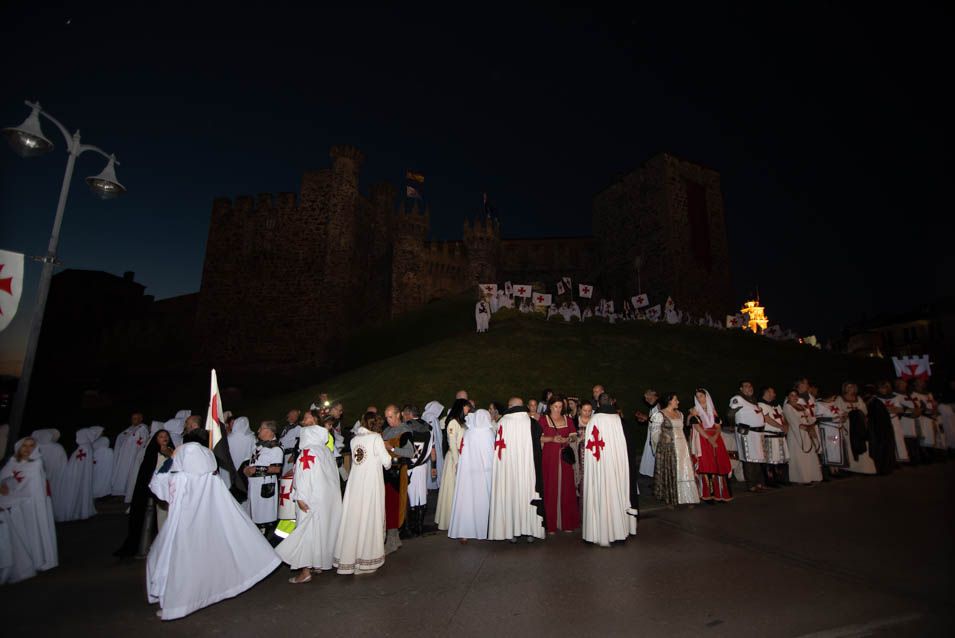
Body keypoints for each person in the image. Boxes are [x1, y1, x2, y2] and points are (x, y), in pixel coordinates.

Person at [147, 443, 280, 620]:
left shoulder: (181, 479)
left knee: (180, 565)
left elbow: (158, 487)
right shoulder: (212, 478)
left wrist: (169, 462)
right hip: (207, 526)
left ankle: (179, 603)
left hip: (184, 528)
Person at [276, 425, 343, 583]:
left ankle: (305, 571)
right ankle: (318, 563)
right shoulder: (326, 451)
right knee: (322, 532)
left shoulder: (307, 452)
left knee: (306, 533)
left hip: (310, 499)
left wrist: (300, 497)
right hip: (326, 500)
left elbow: (303, 476)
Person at [334, 412, 392, 575]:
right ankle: (366, 560)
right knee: (369, 518)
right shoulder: (376, 438)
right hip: (371, 485)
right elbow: (386, 462)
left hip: (355, 485)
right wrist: (389, 450)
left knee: (355, 520)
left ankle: (350, 559)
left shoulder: (354, 440)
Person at [582, 393, 638, 546]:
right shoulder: (618, 420)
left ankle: (597, 532)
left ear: (598, 404)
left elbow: (590, 447)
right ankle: (618, 532)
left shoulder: (594, 420)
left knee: (599, 494)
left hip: (599, 466)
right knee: (615, 493)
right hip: (615, 466)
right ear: (611, 403)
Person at [489, 397, 545, 542]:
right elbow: (538, 448)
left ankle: (511, 530)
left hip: (509, 470)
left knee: (511, 496)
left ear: (511, 406)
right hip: (528, 471)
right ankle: (531, 530)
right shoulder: (532, 423)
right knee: (527, 495)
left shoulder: (503, 422)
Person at [0, 437, 57, 572]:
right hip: (16, 502)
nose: (27, 449)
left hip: (33, 503)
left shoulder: (36, 464)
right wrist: (3, 485)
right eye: (24, 446)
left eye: (31, 446)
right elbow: (3, 478)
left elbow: (34, 488)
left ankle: (38, 559)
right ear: (19, 447)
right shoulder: (12, 462)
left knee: (34, 531)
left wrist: (14, 494)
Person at [115, 430, 175, 558]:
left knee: (164, 517)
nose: (164, 438)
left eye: (166, 436)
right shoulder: (152, 452)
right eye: (161, 436)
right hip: (152, 488)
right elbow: (146, 472)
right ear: (156, 439)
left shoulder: (173, 451)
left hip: (168, 489)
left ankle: (167, 546)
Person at [448, 409, 496, 542]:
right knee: (484, 500)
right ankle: (485, 530)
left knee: (467, 501)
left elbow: (464, 453)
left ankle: (464, 532)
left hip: (469, 473)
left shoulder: (469, 433)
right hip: (485, 473)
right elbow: (491, 455)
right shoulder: (489, 433)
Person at [539, 395, 580, 534]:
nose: (558, 409)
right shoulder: (543, 419)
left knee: (567, 488)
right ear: (550, 406)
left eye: (560, 406)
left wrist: (567, 439)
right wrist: (552, 438)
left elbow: (574, 436)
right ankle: (550, 524)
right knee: (550, 487)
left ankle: (567, 522)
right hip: (549, 458)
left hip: (564, 459)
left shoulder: (568, 419)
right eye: (555, 406)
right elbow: (538, 437)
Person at [651, 393, 700, 507]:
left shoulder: (680, 414)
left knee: (685, 470)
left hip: (682, 445)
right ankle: (671, 498)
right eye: (675, 400)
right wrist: (659, 448)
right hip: (669, 448)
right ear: (669, 401)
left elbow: (682, 429)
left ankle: (688, 497)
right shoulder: (660, 415)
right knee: (672, 471)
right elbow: (655, 434)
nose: (678, 402)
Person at [689, 389, 733, 502]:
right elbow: (696, 426)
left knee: (718, 464)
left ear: (706, 396)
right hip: (703, 439)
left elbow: (718, 426)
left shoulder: (712, 410)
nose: (699, 398)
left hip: (716, 438)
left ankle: (720, 493)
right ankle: (707, 494)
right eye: (697, 396)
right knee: (706, 465)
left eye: (701, 396)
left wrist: (715, 437)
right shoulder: (695, 410)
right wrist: (709, 439)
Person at [244, 421, 284, 540]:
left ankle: (264, 540)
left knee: (263, 515)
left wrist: (256, 469)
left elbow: (277, 469)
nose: (258, 431)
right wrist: (246, 469)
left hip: (265, 485)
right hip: (253, 485)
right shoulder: (259, 447)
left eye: (261, 428)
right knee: (253, 513)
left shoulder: (276, 449)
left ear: (268, 431)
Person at [53, 425, 103, 522]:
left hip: (78, 476)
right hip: (77, 477)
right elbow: (78, 464)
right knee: (77, 492)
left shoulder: (85, 447)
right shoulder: (85, 448)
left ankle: (81, 510)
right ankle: (78, 511)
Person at [403, 404, 436, 536]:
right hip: (422, 466)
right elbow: (432, 450)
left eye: (404, 414)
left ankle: (409, 527)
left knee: (409, 495)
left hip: (409, 466)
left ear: (408, 414)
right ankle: (420, 527)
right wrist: (434, 466)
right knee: (421, 495)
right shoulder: (429, 427)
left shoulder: (405, 427)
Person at [436, 399, 469, 530]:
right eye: (466, 407)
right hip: (454, 459)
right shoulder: (453, 422)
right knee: (452, 489)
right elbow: (452, 443)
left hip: (462, 457)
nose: (468, 410)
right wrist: (457, 462)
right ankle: (450, 519)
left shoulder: (462, 422)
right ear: (461, 407)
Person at [728, 381, 767, 491]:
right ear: (741, 389)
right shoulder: (738, 398)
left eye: (750, 386)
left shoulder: (752, 400)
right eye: (746, 386)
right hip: (746, 433)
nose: (749, 388)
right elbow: (730, 413)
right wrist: (732, 425)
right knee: (749, 458)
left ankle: (759, 482)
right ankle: (751, 484)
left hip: (757, 433)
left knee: (758, 458)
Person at [782, 389, 823, 484]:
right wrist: (807, 428)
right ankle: (801, 478)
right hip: (796, 435)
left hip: (806, 433)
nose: (794, 397)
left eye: (796, 395)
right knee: (799, 456)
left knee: (809, 456)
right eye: (792, 395)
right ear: (788, 397)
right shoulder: (787, 407)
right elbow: (793, 421)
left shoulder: (801, 406)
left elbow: (809, 418)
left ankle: (812, 476)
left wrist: (812, 428)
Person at [835, 383, 876, 475]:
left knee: (862, 444)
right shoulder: (840, 399)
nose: (850, 388)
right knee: (849, 445)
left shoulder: (859, 399)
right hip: (847, 425)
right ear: (844, 388)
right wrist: (845, 414)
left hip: (859, 426)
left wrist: (855, 413)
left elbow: (864, 411)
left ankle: (864, 468)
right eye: (848, 387)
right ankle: (850, 468)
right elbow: (837, 411)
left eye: (852, 386)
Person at [757, 387, 790, 486]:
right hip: (770, 435)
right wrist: (781, 426)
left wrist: (786, 425)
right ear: (766, 392)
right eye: (772, 392)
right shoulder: (760, 405)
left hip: (780, 436)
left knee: (781, 459)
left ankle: (781, 479)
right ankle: (770, 481)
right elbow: (766, 419)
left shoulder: (776, 405)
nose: (775, 394)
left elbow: (783, 417)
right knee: (770, 459)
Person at [863, 384, 898, 475]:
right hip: (877, 430)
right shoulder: (871, 401)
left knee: (880, 448)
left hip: (878, 430)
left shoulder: (876, 402)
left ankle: (881, 468)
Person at [111, 413, 149, 496]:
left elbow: (141, 441)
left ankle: (130, 492)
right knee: (122, 473)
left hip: (133, 456)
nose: (133, 420)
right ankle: (120, 491)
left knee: (131, 473)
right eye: (132, 418)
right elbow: (121, 437)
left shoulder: (142, 428)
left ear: (140, 419)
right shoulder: (129, 429)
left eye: (135, 418)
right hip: (124, 456)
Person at [876, 381, 910, 464]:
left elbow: (901, 409)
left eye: (885, 388)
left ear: (888, 388)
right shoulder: (876, 398)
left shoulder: (895, 397)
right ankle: (887, 459)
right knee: (885, 440)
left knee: (897, 439)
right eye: (881, 388)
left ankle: (898, 459)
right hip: (882, 422)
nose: (883, 390)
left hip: (894, 420)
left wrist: (894, 409)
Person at [636, 389, 661, 478]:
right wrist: (644, 419)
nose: (646, 400)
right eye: (646, 398)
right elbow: (652, 420)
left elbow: (659, 420)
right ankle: (652, 474)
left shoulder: (659, 405)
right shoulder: (653, 407)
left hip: (657, 435)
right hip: (651, 433)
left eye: (648, 397)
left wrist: (645, 417)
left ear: (653, 396)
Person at [92, 435, 114, 499]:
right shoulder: (109, 451)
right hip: (107, 472)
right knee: (105, 480)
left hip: (98, 472)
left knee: (97, 480)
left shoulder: (94, 452)